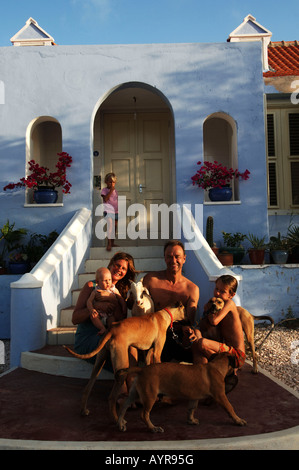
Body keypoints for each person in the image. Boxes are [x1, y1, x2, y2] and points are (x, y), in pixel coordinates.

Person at [72, 252, 137, 365]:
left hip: (109, 335)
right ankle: (124, 380)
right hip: (89, 338)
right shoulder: (92, 286)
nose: (119, 270)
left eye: (124, 268)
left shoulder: (120, 292)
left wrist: (113, 300)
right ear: (110, 265)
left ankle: (128, 380)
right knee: (120, 349)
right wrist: (95, 306)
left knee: (132, 347)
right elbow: (75, 318)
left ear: (126, 273)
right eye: (117, 265)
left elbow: (120, 318)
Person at [143, 240, 200, 362]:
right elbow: (136, 305)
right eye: (169, 257)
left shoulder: (192, 289)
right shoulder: (151, 280)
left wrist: (188, 333)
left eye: (177, 257)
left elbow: (189, 320)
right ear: (164, 258)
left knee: (198, 341)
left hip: (178, 336)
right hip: (153, 335)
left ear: (184, 258)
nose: (173, 261)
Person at [189, 275, 246, 371]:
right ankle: (201, 372)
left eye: (222, 291)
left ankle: (228, 369)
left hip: (236, 356)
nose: (217, 293)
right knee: (198, 337)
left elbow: (214, 321)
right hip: (225, 351)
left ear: (231, 295)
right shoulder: (218, 305)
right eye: (216, 289)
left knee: (202, 343)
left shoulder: (229, 304)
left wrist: (209, 309)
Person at [87, 267, 125, 335]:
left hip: (110, 314)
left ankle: (110, 332)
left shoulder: (113, 289)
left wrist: (123, 307)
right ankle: (102, 328)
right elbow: (89, 301)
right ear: (97, 282)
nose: (108, 282)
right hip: (100, 314)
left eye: (109, 280)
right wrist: (91, 310)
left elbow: (120, 298)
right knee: (93, 317)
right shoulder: (96, 291)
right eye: (105, 280)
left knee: (112, 320)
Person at [101, 172, 118, 251]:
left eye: (113, 182)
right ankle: (109, 243)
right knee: (110, 226)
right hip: (108, 211)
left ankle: (113, 242)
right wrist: (111, 190)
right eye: (110, 182)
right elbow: (106, 199)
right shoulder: (104, 190)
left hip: (115, 211)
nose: (112, 184)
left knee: (114, 228)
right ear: (106, 182)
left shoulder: (115, 191)